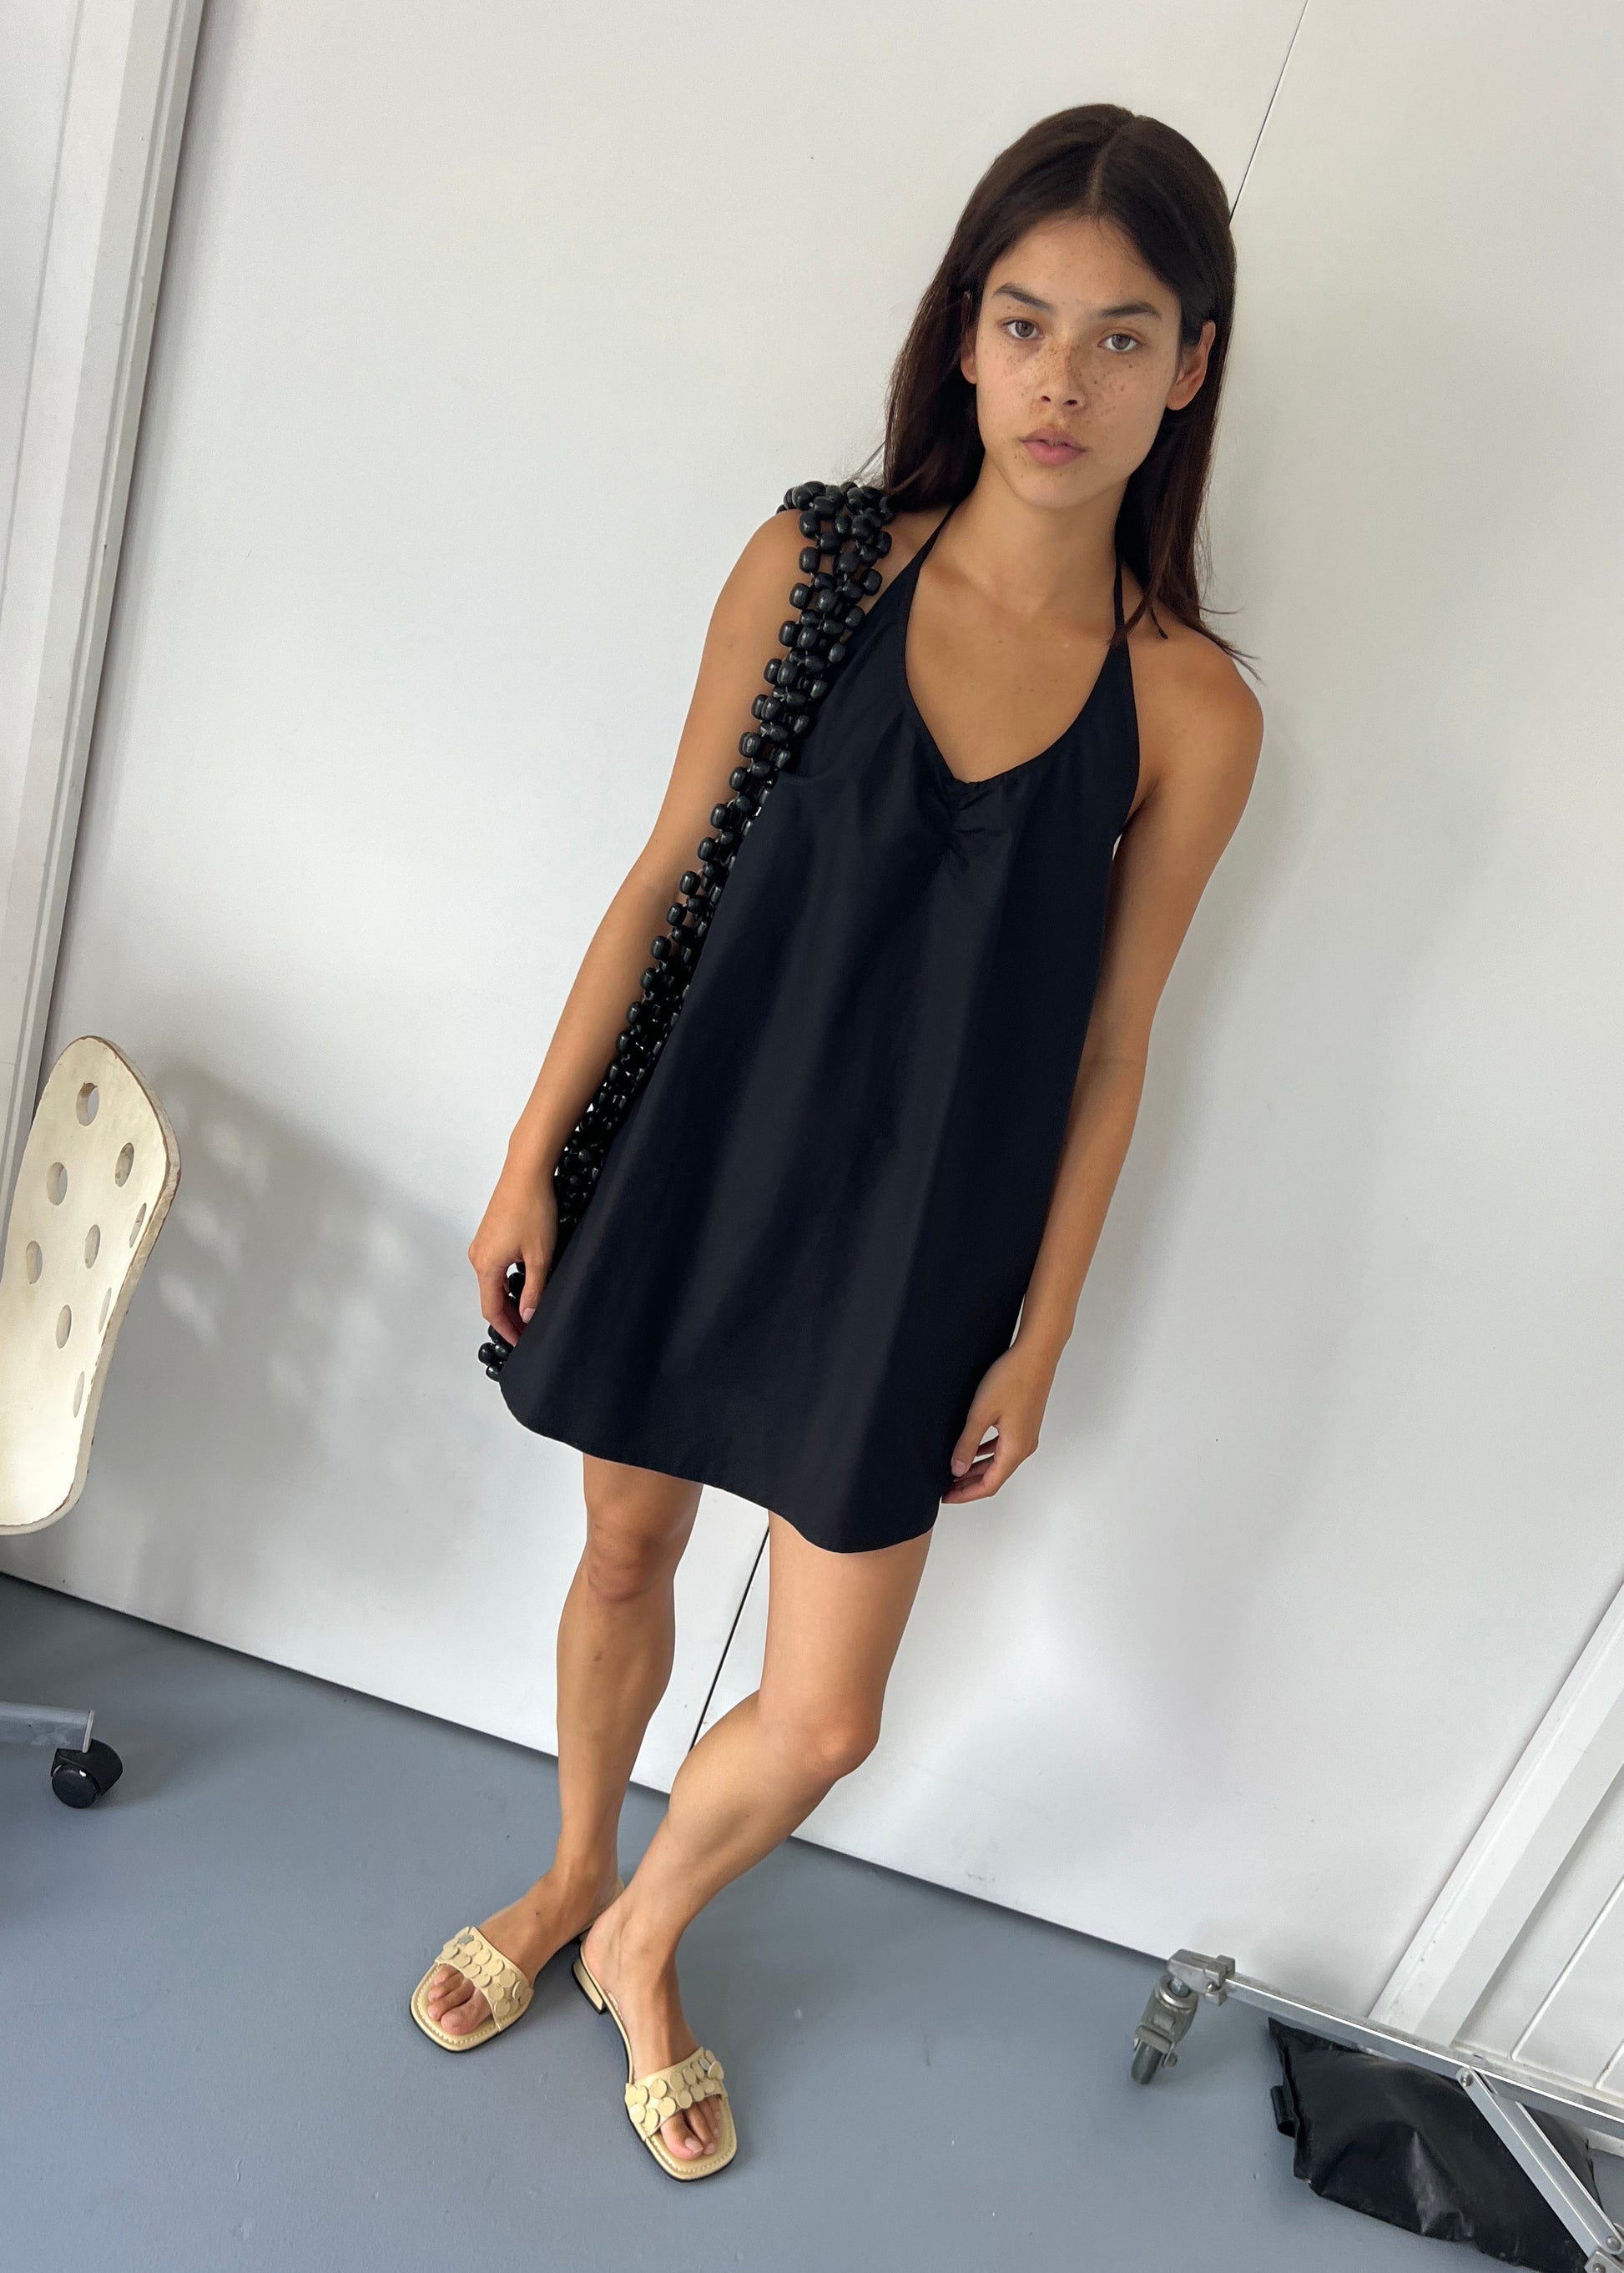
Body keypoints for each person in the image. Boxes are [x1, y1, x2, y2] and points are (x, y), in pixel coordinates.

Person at [412, 101, 1263, 2179]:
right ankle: (561, 1874)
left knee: (823, 1714)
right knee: (624, 1545)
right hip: (698, 1168)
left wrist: (1038, 1338)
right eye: (1024, 320)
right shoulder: (813, 571)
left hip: (920, 1264)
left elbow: (1111, 1056)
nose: (1064, 381)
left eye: (1121, 335)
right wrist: (534, 1157)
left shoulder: (1194, 716)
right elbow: (658, 878)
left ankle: (644, 1931)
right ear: (961, 341)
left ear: (1192, 364)